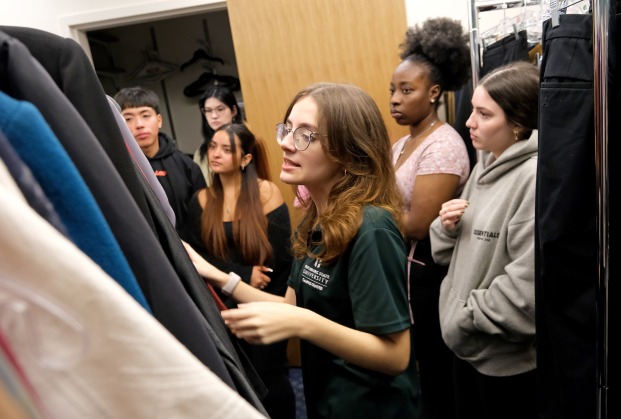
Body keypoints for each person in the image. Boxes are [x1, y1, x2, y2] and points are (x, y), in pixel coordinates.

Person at [183, 82, 420, 418]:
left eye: (305, 134)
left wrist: (303, 323)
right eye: (288, 129)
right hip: (327, 397)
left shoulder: (372, 228)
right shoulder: (317, 220)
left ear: (348, 150)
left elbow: (395, 355)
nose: (284, 143)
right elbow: (289, 305)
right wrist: (219, 276)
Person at [429, 61, 539, 419]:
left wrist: (465, 319)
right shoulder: (484, 164)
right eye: (472, 109)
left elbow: (527, 293)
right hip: (467, 351)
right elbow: (449, 255)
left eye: (483, 113)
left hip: (504, 367)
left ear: (518, 123)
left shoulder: (534, 180)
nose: (468, 122)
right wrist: (446, 227)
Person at [388, 17, 471, 419]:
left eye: (407, 90)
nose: (395, 99)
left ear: (434, 92)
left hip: (428, 275)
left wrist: (372, 213)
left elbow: (418, 225)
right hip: (400, 269)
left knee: (435, 376)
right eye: (393, 90)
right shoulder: (404, 142)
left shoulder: (443, 144)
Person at [184, 123, 296, 419]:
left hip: (267, 299)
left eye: (226, 149)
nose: (215, 154)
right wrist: (243, 274)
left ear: (245, 159)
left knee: (270, 377)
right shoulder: (201, 200)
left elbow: (281, 256)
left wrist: (258, 287)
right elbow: (197, 257)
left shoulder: (265, 192)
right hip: (221, 304)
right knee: (234, 381)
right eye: (212, 147)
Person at [113, 86, 205, 241]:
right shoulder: (117, 168)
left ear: (159, 120)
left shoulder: (186, 165)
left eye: (146, 115)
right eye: (128, 118)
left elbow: (203, 219)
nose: (139, 124)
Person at [194, 85, 244, 187]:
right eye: (208, 110)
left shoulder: (248, 142)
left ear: (233, 111)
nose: (214, 116)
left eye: (220, 109)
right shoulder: (201, 152)